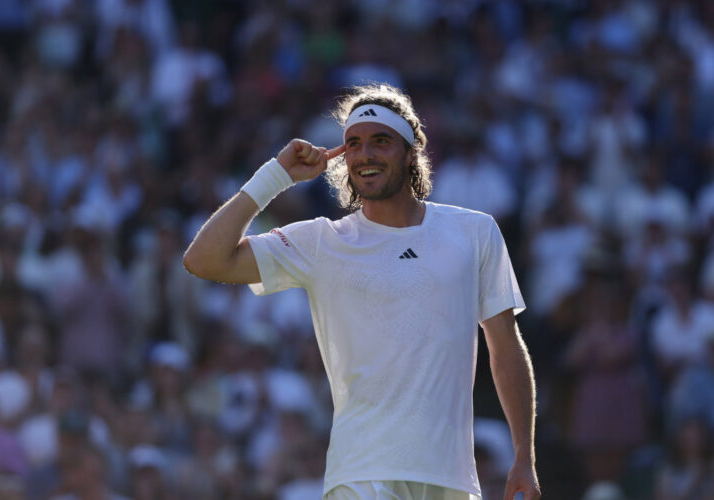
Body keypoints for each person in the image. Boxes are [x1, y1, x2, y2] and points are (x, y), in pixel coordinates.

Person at [183, 84, 541, 500]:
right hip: (361, 475)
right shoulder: (322, 242)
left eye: (381, 141)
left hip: (452, 478)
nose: (364, 154)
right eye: (353, 144)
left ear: (411, 152)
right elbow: (202, 259)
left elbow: (504, 349)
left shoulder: (476, 231)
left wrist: (523, 457)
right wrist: (275, 177)